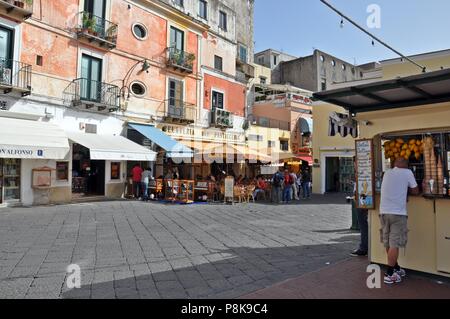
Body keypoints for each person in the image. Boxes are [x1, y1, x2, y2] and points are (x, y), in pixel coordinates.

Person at [380, 157, 419, 285]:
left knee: (388, 243)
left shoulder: (387, 173)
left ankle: (396, 268)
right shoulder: (407, 172)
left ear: (395, 164)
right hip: (398, 214)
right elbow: (415, 190)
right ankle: (389, 274)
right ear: (406, 165)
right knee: (394, 244)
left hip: (384, 212)